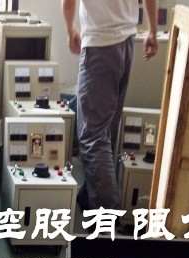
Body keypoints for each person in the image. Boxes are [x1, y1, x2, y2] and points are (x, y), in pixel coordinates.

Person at [62, 0, 158, 211]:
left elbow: (68, 2)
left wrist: (70, 29)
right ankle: (89, 198)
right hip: (126, 43)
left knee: (93, 137)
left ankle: (107, 218)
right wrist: (152, 29)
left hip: (100, 45)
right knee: (106, 130)